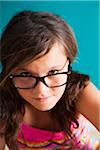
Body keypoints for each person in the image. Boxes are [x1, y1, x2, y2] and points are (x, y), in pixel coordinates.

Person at [0, 10, 99, 150]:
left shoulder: (79, 91)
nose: (41, 91)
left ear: (69, 64)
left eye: (54, 72)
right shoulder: (4, 103)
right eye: (25, 75)